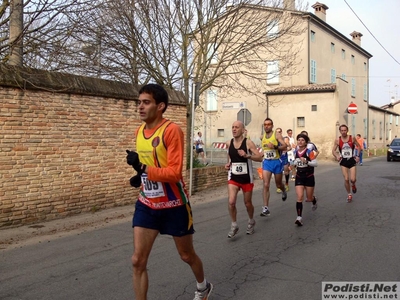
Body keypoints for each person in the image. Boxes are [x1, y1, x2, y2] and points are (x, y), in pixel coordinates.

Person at [126, 84, 213, 300]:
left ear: (161, 106)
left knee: (186, 255)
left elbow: (174, 173)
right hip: (147, 204)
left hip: (174, 205)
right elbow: (149, 164)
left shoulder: (171, 130)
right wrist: (140, 175)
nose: (140, 107)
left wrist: (145, 169)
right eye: (139, 102)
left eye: (146, 102)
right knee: (138, 260)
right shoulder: (139, 131)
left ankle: (203, 286)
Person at [225, 121, 263, 238]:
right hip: (233, 177)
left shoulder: (248, 143)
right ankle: (234, 225)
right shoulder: (228, 143)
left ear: (243, 130)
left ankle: (251, 221)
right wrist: (228, 163)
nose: (234, 129)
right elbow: (229, 156)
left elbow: (260, 158)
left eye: (237, 127)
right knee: (231, 202)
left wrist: (248, 156)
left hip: (247, 178)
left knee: (247, 203)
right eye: (232, 127)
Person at [260, 118, 288, 217]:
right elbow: (263, 150)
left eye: (268, 124)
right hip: (267, 162)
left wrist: (275, 147)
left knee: (278, 184)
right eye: (265, 124)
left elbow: (285, 146)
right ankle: (265, 208)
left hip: (276, 162)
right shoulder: (261, 136)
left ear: (272, 125)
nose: (266, 126)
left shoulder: (277, 135)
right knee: (266, 184)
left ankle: (283, 190)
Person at [293, 133, 318, 226]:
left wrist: (307, 161)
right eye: (299, 140)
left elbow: (315, 163)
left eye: (302, 140)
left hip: (309, 176)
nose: (300, 141)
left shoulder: (309, 152)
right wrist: (293, 165)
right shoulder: (295, 151)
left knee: (309, 197)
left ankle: (314, 199)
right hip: (299, 176)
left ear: (306, 142)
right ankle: (299, 218)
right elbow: (294, 161)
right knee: (299, 197)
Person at [331, 124, 361, 203]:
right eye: (342, 130)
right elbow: (333, 151)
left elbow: (359, 147)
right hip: (343, 161)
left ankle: (353, 184)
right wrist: (337, 156)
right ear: (340, 131)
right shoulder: (337, 140)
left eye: (345, 130)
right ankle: (349, 194)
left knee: (353, 179)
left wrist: (357, 156)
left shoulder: (352, 138)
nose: (343, 132)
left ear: (347, 131)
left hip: (351, 160)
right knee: (346, 179)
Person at [275, 128, 290, 193]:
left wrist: (286, 148)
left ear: (281, 132)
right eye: (277, 132)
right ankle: (279, 186)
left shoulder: (285, 139)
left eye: (280, 132)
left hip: (284, 157)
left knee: (286, 172)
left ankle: (286, 184)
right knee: (278, 172)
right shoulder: (274, 140)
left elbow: (289, 147)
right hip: (277, 158)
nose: (278, 133)